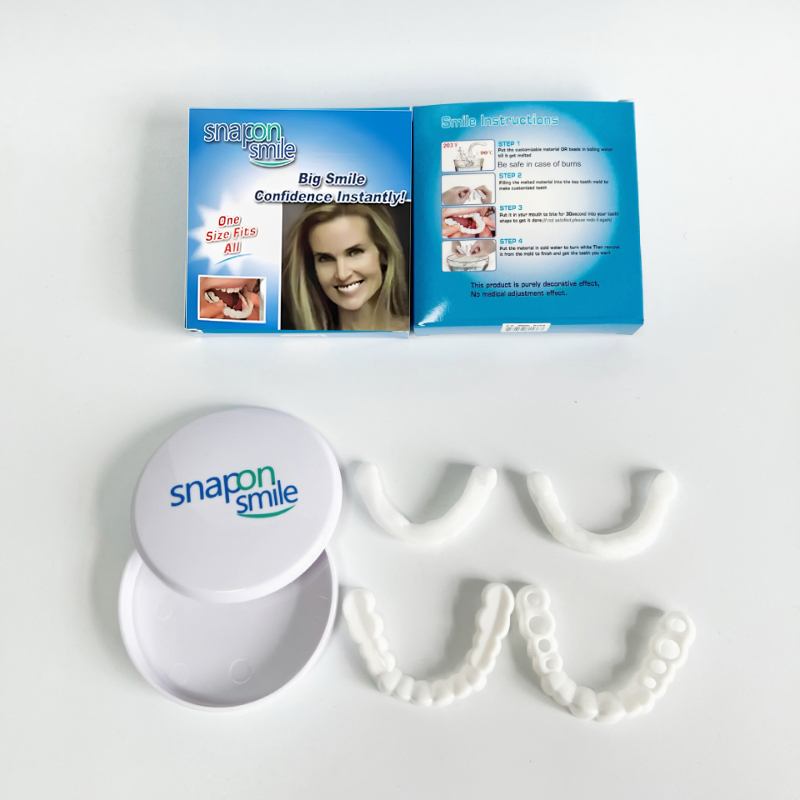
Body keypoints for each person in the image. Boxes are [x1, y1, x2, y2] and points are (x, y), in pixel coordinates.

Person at [282, 203, 409, 331]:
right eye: (325, 259)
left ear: (384, 254)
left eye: (355, 252)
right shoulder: (304, 343)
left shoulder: (416, 335)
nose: (342, 274)